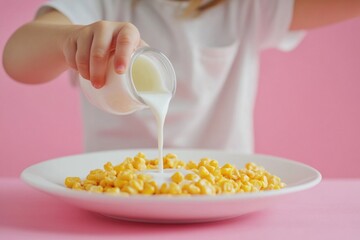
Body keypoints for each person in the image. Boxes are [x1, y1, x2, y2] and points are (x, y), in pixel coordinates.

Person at [3, 0, 360, 153]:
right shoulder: (104, 4)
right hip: (114, 203)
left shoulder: (246, 7)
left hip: (223, 201)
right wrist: (69, 40)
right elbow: (17, 57)